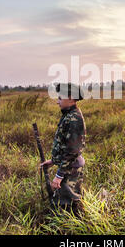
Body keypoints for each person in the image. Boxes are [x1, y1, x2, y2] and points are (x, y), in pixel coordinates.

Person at [40, 83, 86, 213]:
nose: (57, 101)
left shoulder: (73, 118)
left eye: (60, 98)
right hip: (69, 166)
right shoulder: (68, 114)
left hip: (70, 168)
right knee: (67, 201)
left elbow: (73, 151)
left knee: (64, 204)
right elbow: (65, 144)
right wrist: (54, 161)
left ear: (70, 98)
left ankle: (68, 228)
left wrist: (59, 175)